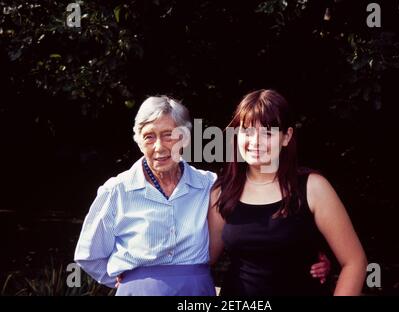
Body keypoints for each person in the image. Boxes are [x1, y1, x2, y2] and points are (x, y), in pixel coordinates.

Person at [74, 95, 331, 296]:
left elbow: (257, 229)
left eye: (169, 135)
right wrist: (130, 279)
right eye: (149, 137)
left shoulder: (210, 185)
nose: (159, 147)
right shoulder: (116, 191)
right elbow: (89, 254)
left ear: (185, 138)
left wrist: (308, 256)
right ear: (138, 141)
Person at [208, 89, 367, 296]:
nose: (255, 141)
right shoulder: (222, 192)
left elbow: (355, 262)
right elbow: (202, 261)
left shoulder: (313, 188)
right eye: (247, 131)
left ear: (286, 137)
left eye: (267, 132)